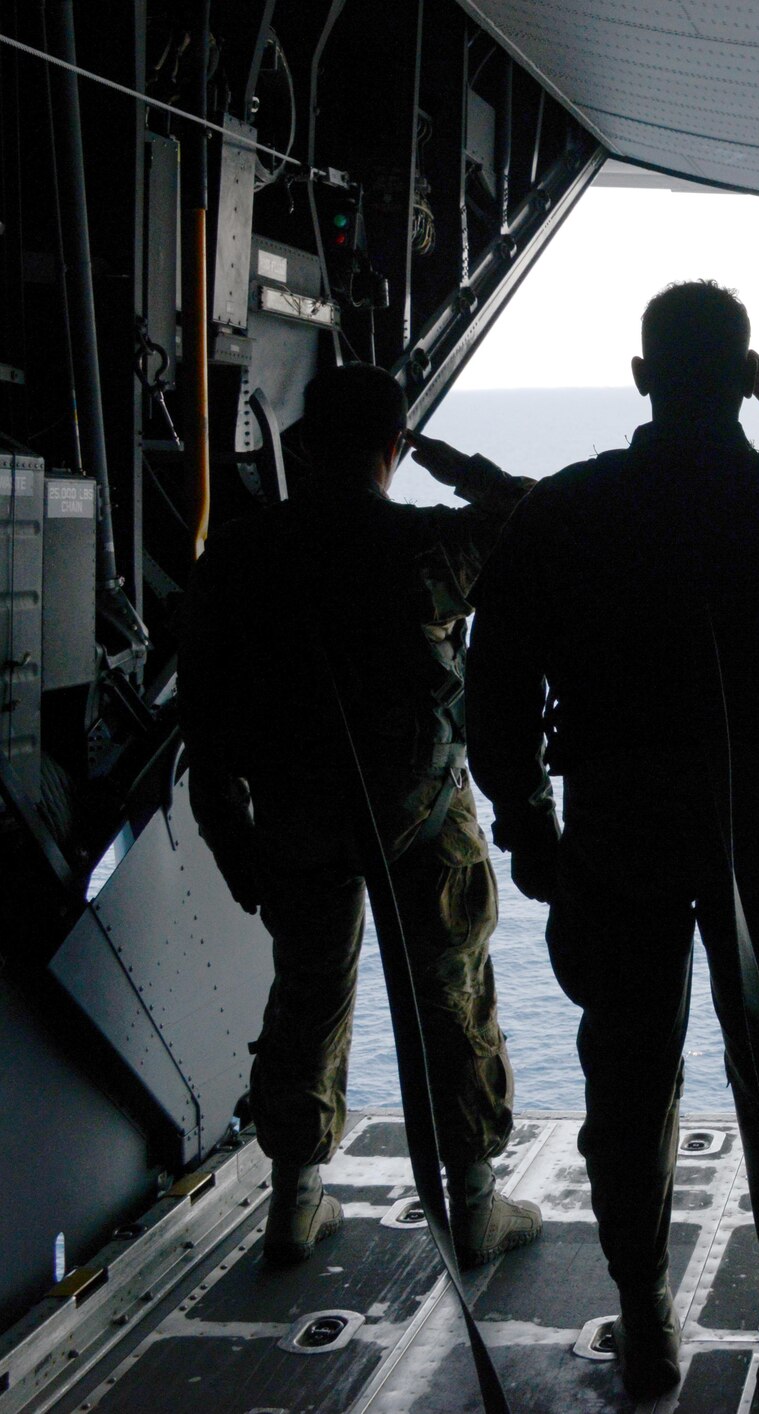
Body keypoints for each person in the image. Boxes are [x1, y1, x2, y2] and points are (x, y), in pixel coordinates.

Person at [465, 280, 759, 1400]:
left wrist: (531, 828)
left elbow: (495, 688)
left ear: (640, 377)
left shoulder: (566, 509)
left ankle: (644, 1318)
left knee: (626, 1087)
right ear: (741, 378)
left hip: (618, 844)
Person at [180, 363, 543, 1271]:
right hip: (422, 818)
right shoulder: (430, 548)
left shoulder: (239, 556)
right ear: (393, 446)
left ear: (304, 446)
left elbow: (207, 725)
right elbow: (530, 518)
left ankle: (295, 1207)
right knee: (452, 1000)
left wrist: (238, 850)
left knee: (306, 999)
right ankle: (473, 1207)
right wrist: (456, 467)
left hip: (298, 821)